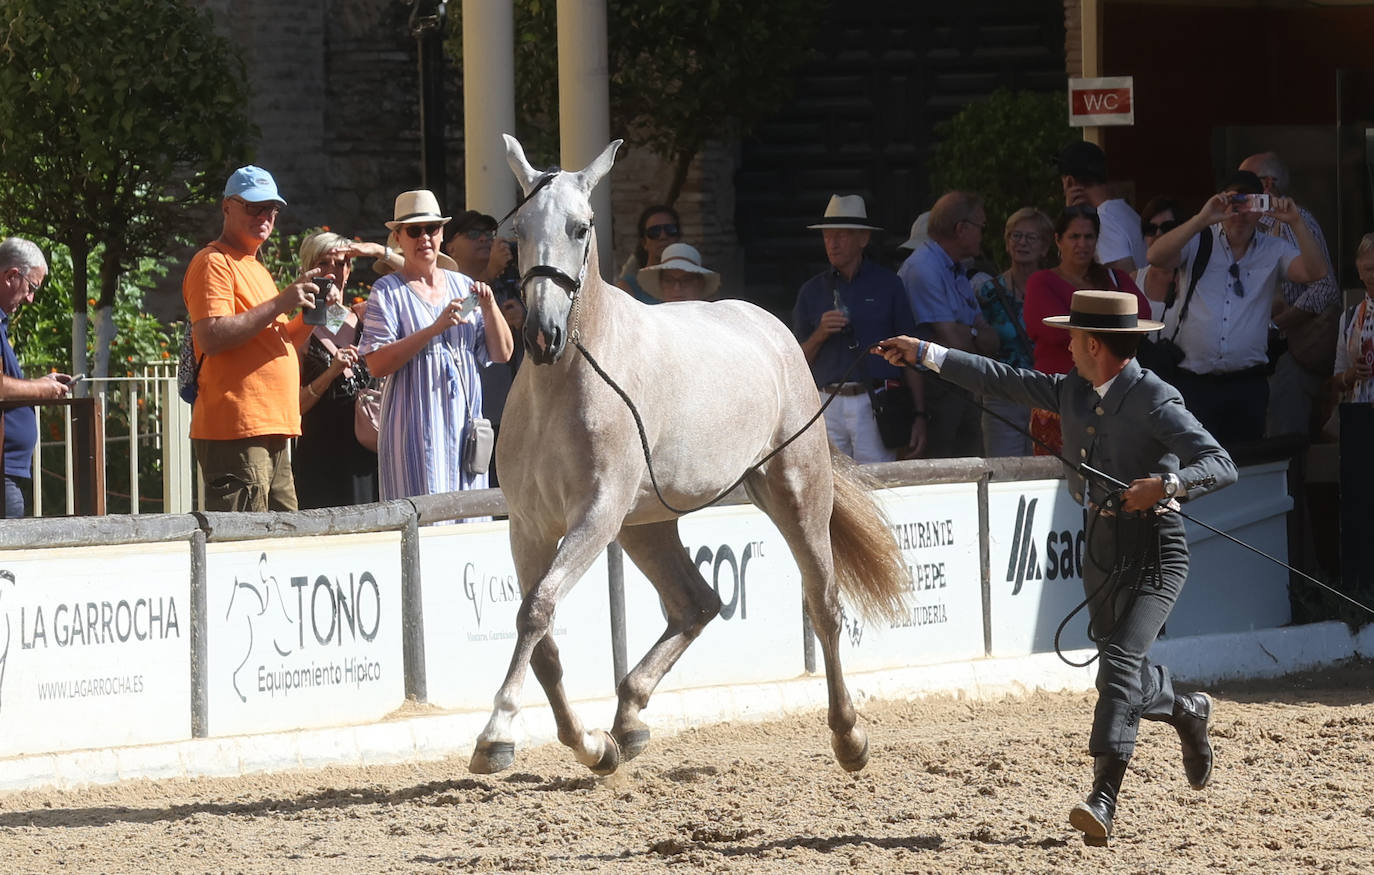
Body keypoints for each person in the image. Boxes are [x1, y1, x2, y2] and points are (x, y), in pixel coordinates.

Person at [874, 289, 1237, 847]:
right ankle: (1186, 709)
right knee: (1124, 671)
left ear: (1094, 344)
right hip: (1102, 549)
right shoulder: (1073, 388)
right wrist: (924, 352)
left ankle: (1104, 797)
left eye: (1071, 336)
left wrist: (1168, 485)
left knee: (1116, 661)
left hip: (1157, 553)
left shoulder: (1155, 397)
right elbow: (998, 378)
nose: (1064, 344)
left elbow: (1220, 462)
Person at [183, 166, 337, 512]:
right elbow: (211, 336)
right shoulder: (213, 262)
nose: (265, 216)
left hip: (271, 426)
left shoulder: (255, 266)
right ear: (227, 208)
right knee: (247, 548)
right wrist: (282, 301)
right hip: (238, 428)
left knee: (282, 543)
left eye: (272, 209)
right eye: (254, 207)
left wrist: (313, 315)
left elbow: (278, 340)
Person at [1146, 170, 1327, 445]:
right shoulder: (1199, 239)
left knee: (1245, 470)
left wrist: (1296, 222)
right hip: (1195, 383)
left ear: (1260, 210)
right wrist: (1202, 219)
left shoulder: (1272, 248)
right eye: (1233, 204)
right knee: (1198, 470)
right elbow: (1155, 256)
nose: (1240, 214)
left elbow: (1315, 272)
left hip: (1247, 385)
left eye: (1249, 204)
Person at [359, 190, 513, 504]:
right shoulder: (387, 291)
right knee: (422, 527)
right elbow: (376, 363)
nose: (424, 237)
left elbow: (502, 353)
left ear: (442, 234)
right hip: (413, 433)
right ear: (398, 238)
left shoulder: (462, 286)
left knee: (467, 526)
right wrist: (433, 329)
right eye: (414, 231)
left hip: (463, 433)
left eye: (432, 229)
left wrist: (489, 306)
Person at [793, 194, 924, 463]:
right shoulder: (811, 291)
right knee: (833, 485)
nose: (832, 243)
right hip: (826, 402)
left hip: (875, 400)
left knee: (876, 484)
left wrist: (920, 415)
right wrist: (820, 334)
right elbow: (795, 362)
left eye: (841, 235)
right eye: (828, 235)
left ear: (863, 239)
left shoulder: (888, 285)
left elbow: (911, 353)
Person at [1024, 205, 1150, 455]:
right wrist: (1113, 325)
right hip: (1059, 397)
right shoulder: (1041, 282)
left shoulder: (1116, 279)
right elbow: (1055, 332)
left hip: (1113, 397)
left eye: (1089, 236)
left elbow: (1143, 317)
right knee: (1056, 479)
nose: (1082, 244)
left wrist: (1086, 327)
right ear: (1058, 241)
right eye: (1074, 237)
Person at [1238, 153, 1342, 439]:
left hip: (1294, 352)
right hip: (1262, 355)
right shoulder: (1250, 227)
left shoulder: (1292, 222)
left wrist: (1277, 324)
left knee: (1283, 440)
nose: (1237, 191)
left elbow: (1325, 288)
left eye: (1246, 183)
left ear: (1268, 184)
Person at [897, 191, 998, 458]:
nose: (983, 234)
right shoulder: (924, 268)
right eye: (981, 226)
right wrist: (972, 334)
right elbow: (953, 339)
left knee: (971, 466)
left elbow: (989, 336)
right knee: (942, 471)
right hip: (936, 388)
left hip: (961, 383)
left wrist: (970, 333)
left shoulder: (955, 268)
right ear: (961, 229)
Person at [292, 231, 388, 509]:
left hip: (366, 451)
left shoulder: (365, 316)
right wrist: (330, 373)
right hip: (321, 455)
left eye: (342, 263)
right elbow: (293, 405)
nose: (333, 271)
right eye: (324, 263)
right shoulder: (298, 327)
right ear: (307, 267)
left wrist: (378, 252)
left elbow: (421, 278)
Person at [0, 238, 73, 517]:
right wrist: (38, 389)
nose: (31, 298)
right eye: (31, 287)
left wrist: (40, 383)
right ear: (11, 276)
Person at [976, 208, 1053, 456]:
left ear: (1044, 247)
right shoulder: (988, 292)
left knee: (1047, 473)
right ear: (1007, 243)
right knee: (1003, 473)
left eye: (1031, 238)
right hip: (1002, 394)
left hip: (1046, 394)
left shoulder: (1056, 290)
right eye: (1016, 236)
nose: (1022, 243)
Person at [1058, 140, 1146, 274]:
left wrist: (1070, 218)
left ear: (1070, 181)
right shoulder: (1125, 212)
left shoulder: (1102, 220)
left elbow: (1122, 278)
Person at [1333, 232, 1374, 407]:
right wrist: (1353, 373)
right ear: (1359, 272)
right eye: (1369, 269)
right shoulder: (1350, 318)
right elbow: (1337, 380)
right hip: (1360, 418)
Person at [444, 210, 520, 302]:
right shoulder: (444, 284)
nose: (484, 238)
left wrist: (521, 314)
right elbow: (461, 312)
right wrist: (489, 274)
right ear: (451, 249)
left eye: (488, 234)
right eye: (473, 234)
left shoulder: (508, 282)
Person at [617, 204, 682, 304]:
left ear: (677, 237)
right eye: (654, 232)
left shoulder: (690, 282)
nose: (663, 236)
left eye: (670, 230)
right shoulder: (627, 288)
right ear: (644, 243)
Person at [1135, 196, 1183, 319]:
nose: (1158, 234)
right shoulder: (1134, 280)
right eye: (1150, 229)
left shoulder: (1195, 278)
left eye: (1167, 227)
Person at [636, 242, 720, 302]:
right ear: (661, 284)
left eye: (686, 280)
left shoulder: (714, 321)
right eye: (669, 281)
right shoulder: (651, 322)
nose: (677, 288)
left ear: (700, 284)